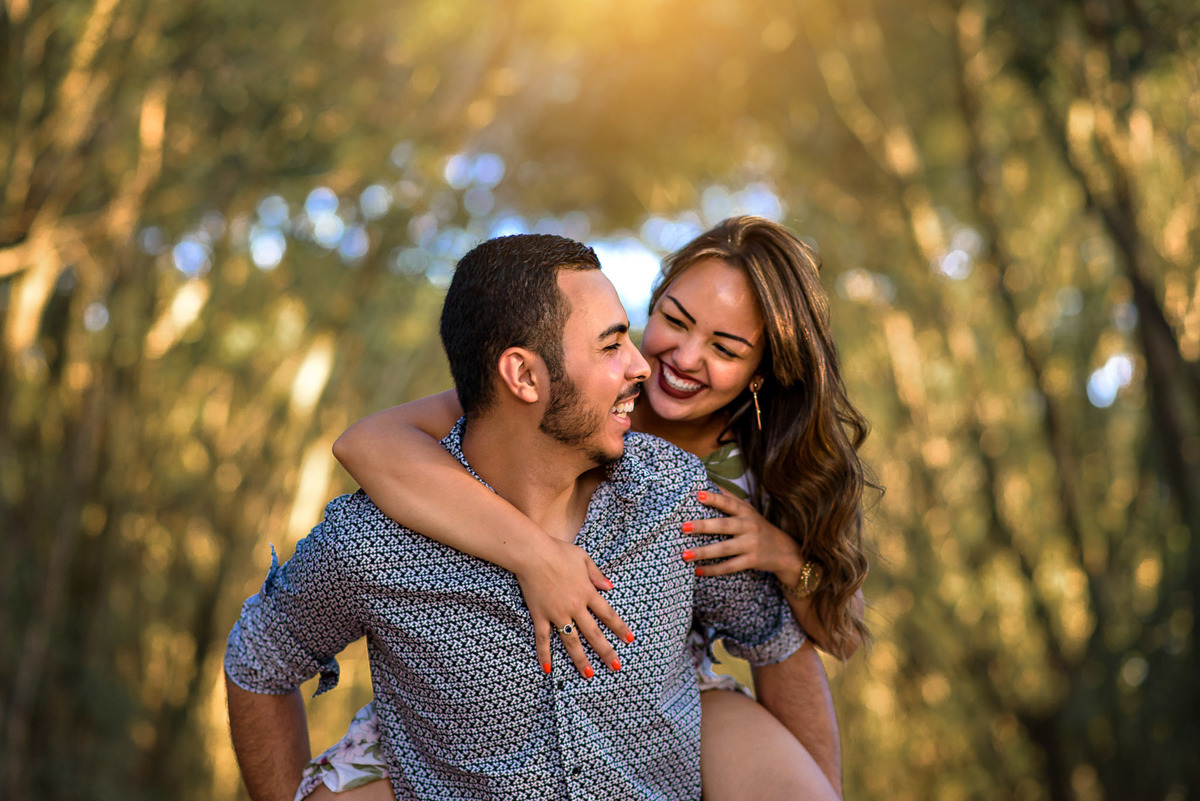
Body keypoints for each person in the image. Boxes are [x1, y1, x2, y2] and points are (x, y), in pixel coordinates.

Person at [224, 233, 818, 801]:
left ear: (758, 373)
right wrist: (534, 553)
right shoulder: (374, 540)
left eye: (726, 348)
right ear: (523, 375)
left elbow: (786, 632)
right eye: (617, 342)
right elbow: (260, 658)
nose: (655, 363)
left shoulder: (684, 495)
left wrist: (794, 561)